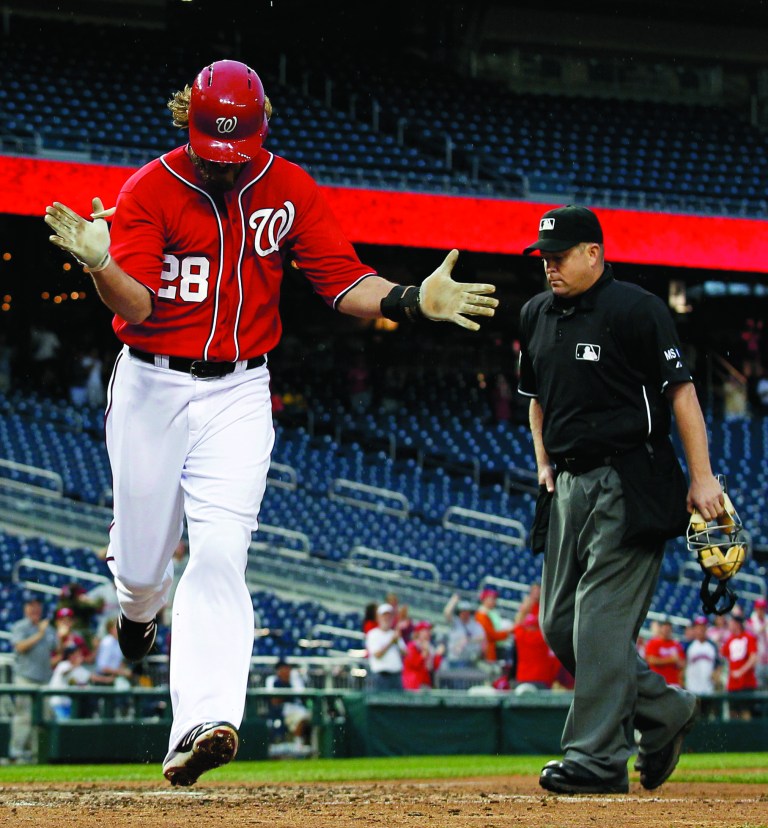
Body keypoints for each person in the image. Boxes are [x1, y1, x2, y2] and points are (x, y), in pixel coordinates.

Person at [43, 59, 497, 787]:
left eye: (236, 155)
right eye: (210, 150)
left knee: (222, 553)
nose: (222, 167)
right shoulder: (149, 190)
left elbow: (341, 280)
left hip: (241, 393)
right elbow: (135, 307)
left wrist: (410, 300)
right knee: (139, 569)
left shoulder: (288, 187)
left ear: (262, 132)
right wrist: (100, 266)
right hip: (152, 387)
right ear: (186, 118)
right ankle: (137, 609)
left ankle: (204, 719)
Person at [518, 204, 721, 795]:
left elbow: (681, 393)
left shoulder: (636, 309)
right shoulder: (535, 313)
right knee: (559, 624)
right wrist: (542, 461)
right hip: (567, 485)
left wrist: (702, 476)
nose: (550, 266)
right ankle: (662, 711)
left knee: (599, 617)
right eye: (544, 258)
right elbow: (536, 397)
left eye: (559, 256)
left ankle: (597, 759)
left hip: (630, 477)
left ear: (593, 254)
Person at [8, 597, 57, 763]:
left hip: (44, 680)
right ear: (25, 609)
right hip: (25, 679)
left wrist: (62, 635)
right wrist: (40, 634)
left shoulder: (48, 628)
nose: (35, 610)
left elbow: (57, 650)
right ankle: (16, 753)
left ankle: (37, 754)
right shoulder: (21, 626)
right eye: (31, 606)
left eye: (37, 606)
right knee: (24, 716)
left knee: (44, 718)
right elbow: (20, 647)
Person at [264, 659, 312, 751]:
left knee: (307, 717)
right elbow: (274, 700)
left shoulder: (294, 679)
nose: (286, 671)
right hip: (282, 710)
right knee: (301, 717)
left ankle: (301, 743)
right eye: (283, 668)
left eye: (287, 668)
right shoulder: (273, 680)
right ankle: (296, 743)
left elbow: (301, 693)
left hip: (297, 707)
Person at [720, 612, 759, 720]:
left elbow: (753, 657)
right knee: (733, 711)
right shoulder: (730, 640)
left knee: (746, 711)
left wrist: (741, 671)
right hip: (733, 683)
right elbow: (723, 654)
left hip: (746, 682)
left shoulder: (748, 638)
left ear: (737, 624)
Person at [684, 616, 722, 714]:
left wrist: (717, 675)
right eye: (698, 627)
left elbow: (718, 665)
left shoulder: (712, 646)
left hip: (708, 689)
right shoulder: (688, 645)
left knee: (706, 716)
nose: (700, 630)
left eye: (702, 627)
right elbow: (682, 665)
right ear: (694, 629)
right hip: (692, 689)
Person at [364, 603, 406, 691]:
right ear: (378, 617)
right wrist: (391, 642)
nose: (387, 618)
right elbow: (377, 654)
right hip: (381, 677)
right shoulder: (373, 634)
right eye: (384, 615)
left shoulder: (394, 634)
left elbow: (405, 653)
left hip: (396, 676)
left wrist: (397, 641)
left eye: (389, 616)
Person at [442, 593, 487, 670]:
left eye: (466, 611)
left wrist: (469, 640)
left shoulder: (475, 625)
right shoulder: (455, 622)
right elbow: (446, 613)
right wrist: (454, 600)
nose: (464, 614)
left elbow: (482, 637)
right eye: (462, 611)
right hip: (453, 659)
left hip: (468, 660)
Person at [402, 621, 443, 690]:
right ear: (418, 633)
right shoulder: (412, 646)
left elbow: (434, 667)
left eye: (429, 630)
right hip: (412, 684)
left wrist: (438, 655)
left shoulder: (430, 647)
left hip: (425, 684)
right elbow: (415, 664)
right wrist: (425, 653)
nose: (428, 633)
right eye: (425, 630)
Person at [474, 588, 512, 663]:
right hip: (488, 648)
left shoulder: (493, 612)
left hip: (497, 645)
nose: (494, 601)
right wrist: (507, 633)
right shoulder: (482, 615)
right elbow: (490, 635)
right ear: (484, 599)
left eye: (495, 599)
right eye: (491, 599)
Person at [644, 620, 686, 687]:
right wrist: (671, 660)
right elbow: (651, 660)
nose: (667, 631)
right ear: (660, 629)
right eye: (665, 628)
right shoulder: (653, 643)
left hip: (673, 682)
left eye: (668, 629)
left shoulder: (676, 644)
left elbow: (682, 663)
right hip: (657, 681)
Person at [746, 598, 768, 689]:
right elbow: (752, 635)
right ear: (755, 608)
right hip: (756, 658)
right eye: (759, 608)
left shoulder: (766, 619)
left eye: (762, 608)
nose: (761, 611)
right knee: (758, 685)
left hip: (766, 658)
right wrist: (763, 628)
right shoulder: (751, 621)